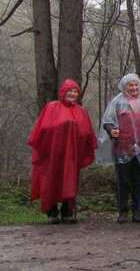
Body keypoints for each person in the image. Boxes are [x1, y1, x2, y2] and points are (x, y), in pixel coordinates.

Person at [28, 80, 97, 224]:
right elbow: (43, 129)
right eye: (70, 91)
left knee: (70, 180)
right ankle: (52, 211)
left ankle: (67, 211)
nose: (72, 94)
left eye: (75, 91)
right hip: (52, 154)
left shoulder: (81, 111)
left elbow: (87, 132)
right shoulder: (51, 107)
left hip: (72, 155)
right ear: (63, 92)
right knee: (51, 180)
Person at [102, 73, 140, 223]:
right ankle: (123, 212)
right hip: (123, 148)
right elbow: (107, 122)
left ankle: (137, 212)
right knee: (123, 181)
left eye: (136, 85)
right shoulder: (117, 102)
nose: (134, 87)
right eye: (130, 85)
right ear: (124, 87)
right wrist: (112, 130)